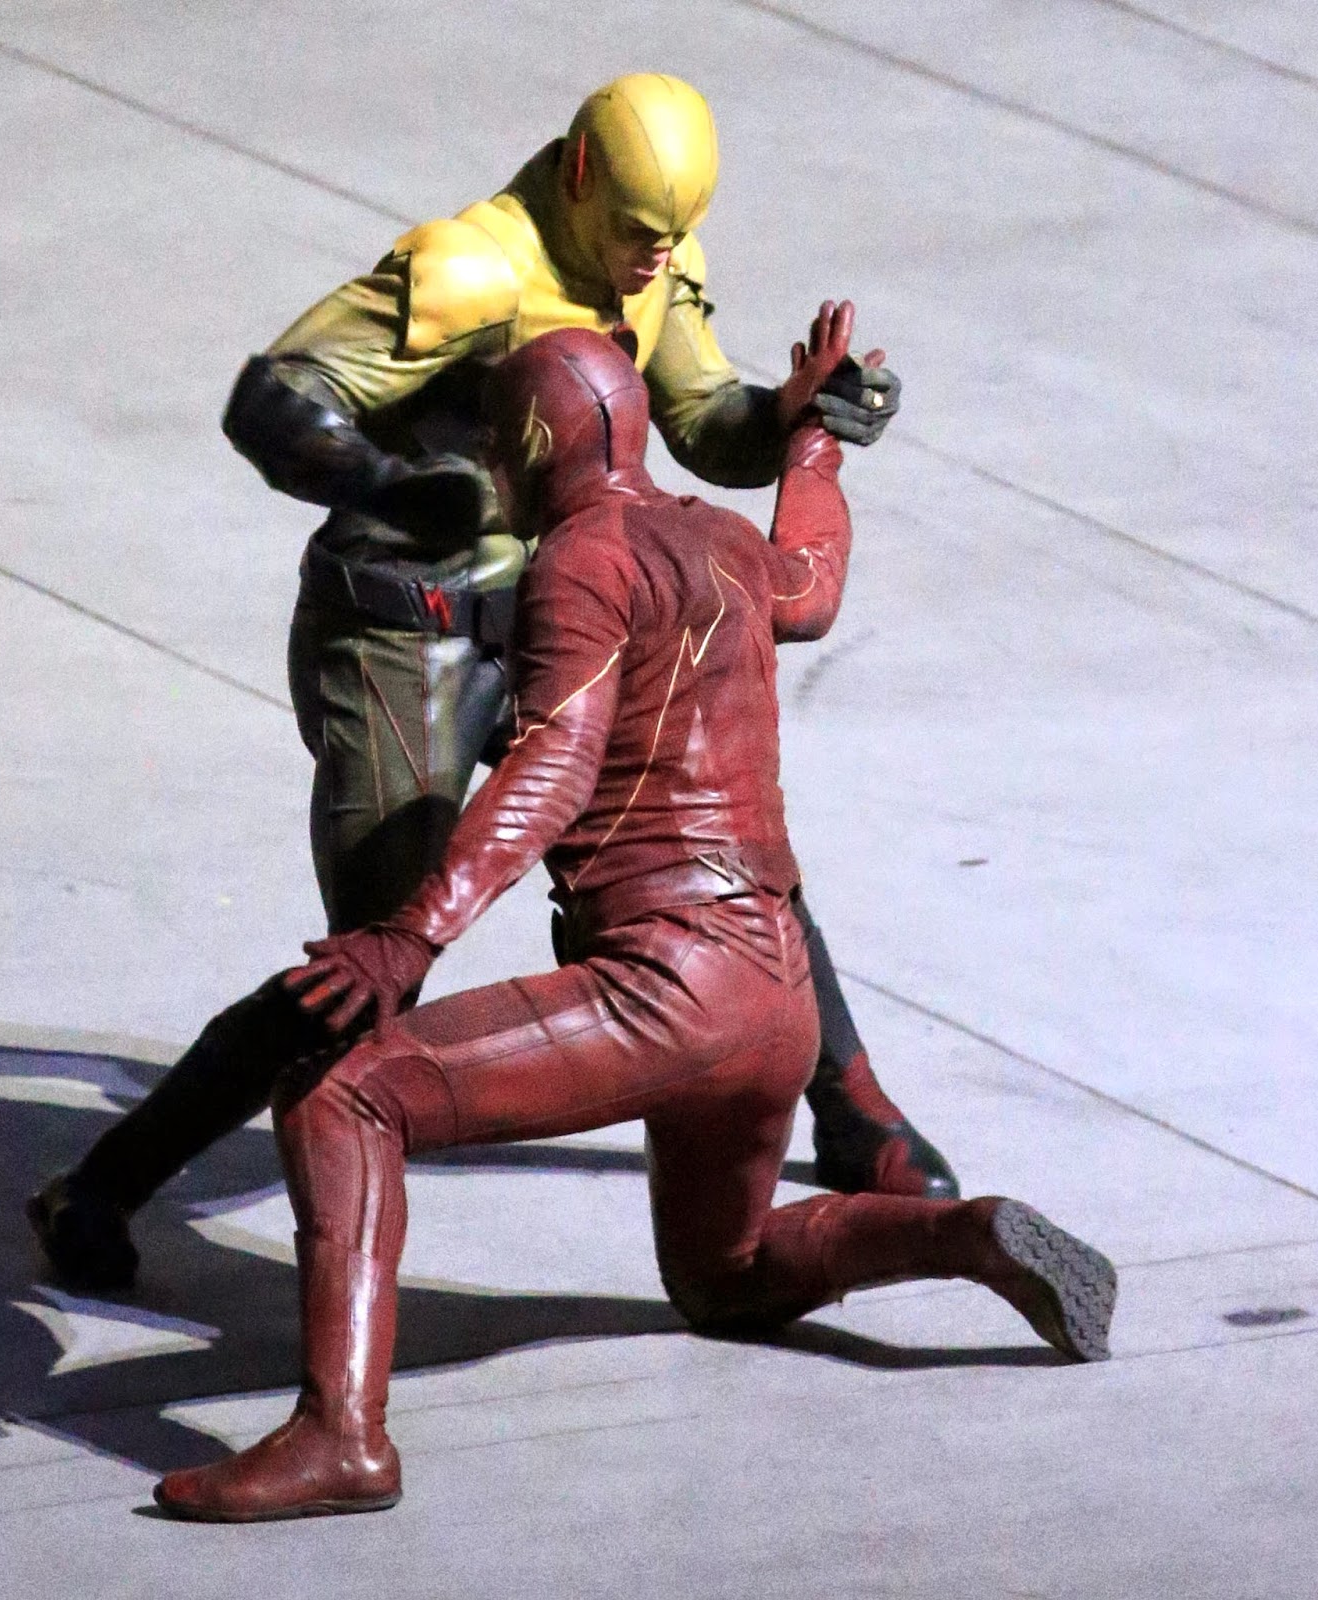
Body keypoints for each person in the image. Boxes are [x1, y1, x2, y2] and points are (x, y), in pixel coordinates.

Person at [151, 318, 1115, 1521]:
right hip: (779, 995)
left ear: (529, 445)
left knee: (343, 1095)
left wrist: (413, 933)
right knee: (726, 1274)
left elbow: (553, 767)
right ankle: (966, 1236)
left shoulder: (580, 563)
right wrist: (812, 444)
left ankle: (341, 1432)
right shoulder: (721, 538)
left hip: (668, 985)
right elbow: (812, 584)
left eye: (498, 445)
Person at [29, 73, 955, 1295]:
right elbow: (273, 401)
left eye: (672, 234)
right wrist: (388, 484)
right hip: (407, 632)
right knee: (374, 960)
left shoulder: (657, 257)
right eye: (635, 230)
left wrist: (791, 415)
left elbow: (695, 423)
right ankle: (104, 1182)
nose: (654, 255)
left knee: (716, 840)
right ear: (578, 175)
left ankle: (852, 1107)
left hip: (561, 614)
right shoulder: (470, 270)